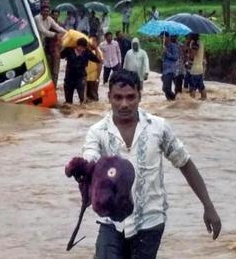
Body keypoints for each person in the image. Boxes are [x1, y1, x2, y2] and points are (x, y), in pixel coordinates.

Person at [82, 69, 222, 259]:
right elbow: (89, 159)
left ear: (140, 95)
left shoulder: (159, 127)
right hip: (111, 221)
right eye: (118, 97)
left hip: (150, 221)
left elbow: (185, 163)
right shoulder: (97, 132)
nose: (124, 104)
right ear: (109, 97)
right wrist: (83, 170)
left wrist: (208, 206)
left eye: (130, 97)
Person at [61, 38, 102, 104]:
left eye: (83, 48)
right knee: (68, 103)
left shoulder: (87, 52)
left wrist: (96, 48)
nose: (81, 50)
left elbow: (98, 60)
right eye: (80, 47)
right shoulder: (69, 50)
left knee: (83, 101)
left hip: (81, 78)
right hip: (69, 78)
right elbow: (60, 56)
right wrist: (64, 45)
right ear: (76, 45)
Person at [47, 9, 64, 87]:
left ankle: (54, 86)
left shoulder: (60, 25)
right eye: (54, 15)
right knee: (49, 70)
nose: (55, 17)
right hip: (48, 50)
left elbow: (63, 38)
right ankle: (50, 87)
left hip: (57, 51)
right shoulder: (47, 25)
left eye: (57, 15)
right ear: (51, 15)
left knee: (55, 71)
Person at [160, 32, 179, 101]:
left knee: (166, 88)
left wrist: (166, 52)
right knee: (165, 90)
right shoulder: (164, 47)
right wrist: (162, 54)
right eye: (161, 38)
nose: (162, 39)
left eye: (163, 37)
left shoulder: (173, 46)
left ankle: (176, 100)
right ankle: (172, 103)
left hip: (170, 70)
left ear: (168, 38)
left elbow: (175, 57)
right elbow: (163, 59)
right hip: (165, 70)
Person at [188, 33, 207, 100]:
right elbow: (203, 56)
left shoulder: (195, 44)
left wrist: (188, 50)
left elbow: (192, 56)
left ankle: (191, 103)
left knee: (192, 88)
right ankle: (204, 98)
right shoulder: (201, 43)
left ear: (192, 36)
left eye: (189, 35)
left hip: (194, 69)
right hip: (200, 68)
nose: (188, 37)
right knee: (201, 86)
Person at [85, 35, 104, 102]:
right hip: (86, 77)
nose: (92, 42)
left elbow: (99, 64)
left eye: (94, 40)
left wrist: (98, 77)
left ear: (97, 42)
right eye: (91, 40)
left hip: (94, 77)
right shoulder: (85, 51)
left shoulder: (99, 51)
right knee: (85, 97)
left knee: (94, 96)